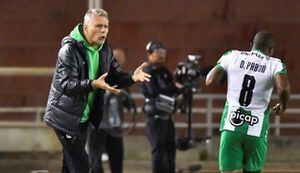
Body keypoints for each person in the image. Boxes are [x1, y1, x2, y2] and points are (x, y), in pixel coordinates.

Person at [44, 9, 150, 173]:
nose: (103, 31)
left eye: (106, 27)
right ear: (86, 28)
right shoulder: (69, 50)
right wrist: (93, 84)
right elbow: (66, 84)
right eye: (98, 26)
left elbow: (114, 77)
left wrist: (132, 78)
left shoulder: (105, 49)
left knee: (69, 164)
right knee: (81, 165)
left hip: (83, 118)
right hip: (65, 118)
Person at [205, 31, 290, 173]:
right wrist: (283, 106)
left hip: (231, 125)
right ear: (270, 50)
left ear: (251, 45)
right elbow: (283, 88)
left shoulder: (232, 56)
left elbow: (210, 81)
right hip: (256, 129)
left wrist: (229, 76)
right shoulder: (275, 64)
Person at [88, 48, 134, 173]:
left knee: (117, 159)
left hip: (115, 126)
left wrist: (124, 94)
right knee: (95, 161)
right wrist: (110, 93)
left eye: (121, 60)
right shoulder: (97, 74)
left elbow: (129, 104)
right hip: (98, 126)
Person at [140, 41, 183, 173]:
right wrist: (173, 89)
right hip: (155, 117)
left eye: (163, 52)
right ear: (149, 54)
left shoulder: (164, 71)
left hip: (167, 116)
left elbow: (174, 89)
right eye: (157, 52)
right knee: (158, 149)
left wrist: (180, 86)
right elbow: (153, 91)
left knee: (170, 147)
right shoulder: (146, 70)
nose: (161, 55)